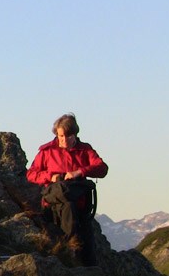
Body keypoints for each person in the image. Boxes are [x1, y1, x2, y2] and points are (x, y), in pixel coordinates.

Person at [26, 113, 108, 266]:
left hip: (78, 204)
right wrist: (51, 177)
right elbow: (31, 174)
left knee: (72, 211)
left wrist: (79, 172)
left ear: (75, 134)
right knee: (68, 206)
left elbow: (102, 169)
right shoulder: (47, 151)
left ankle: (81, 262)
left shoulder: (85, 150)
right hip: (54, 203)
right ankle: (73, 255)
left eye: (67, 136)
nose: (63, 140)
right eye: (60, 136)